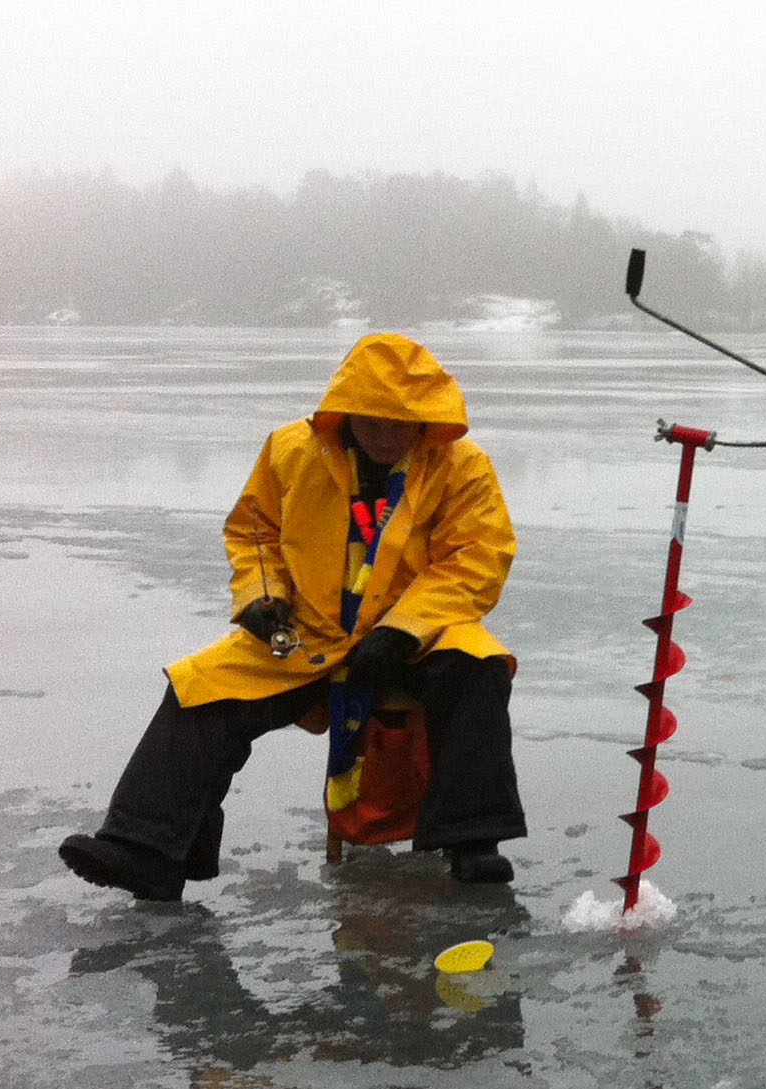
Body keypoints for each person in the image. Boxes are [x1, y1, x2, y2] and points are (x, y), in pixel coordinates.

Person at [59, 332, 526, 900]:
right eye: (372, 420)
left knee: (477, 667)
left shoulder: (462, 466)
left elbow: (476, 556)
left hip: (418, 633)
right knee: (199, 687)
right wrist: (260, 594)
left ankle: (474, 841)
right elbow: (255, 530)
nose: (387, 434)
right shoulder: (290, 449)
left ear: (427, 420)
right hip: (305, 634)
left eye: (402, 422)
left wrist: (403, 630)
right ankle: (145, 849)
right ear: (345, 411)